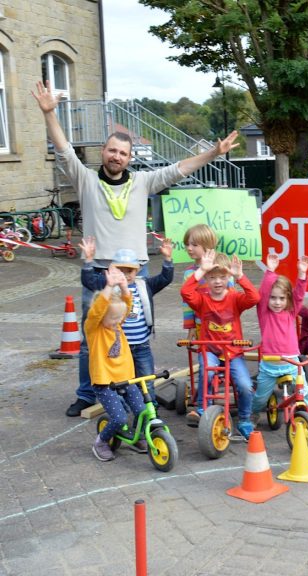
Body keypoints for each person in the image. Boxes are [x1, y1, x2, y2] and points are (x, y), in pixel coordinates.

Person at [33, 80, 240, 417]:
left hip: (136, 273)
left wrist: (214, 153)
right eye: (112, 151)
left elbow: (180, 169)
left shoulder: (143, 182)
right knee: (91, 337)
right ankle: (88, 394)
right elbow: (64, 150)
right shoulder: (85, 179)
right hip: (100, 270)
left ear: (130, 158)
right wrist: (48, 114)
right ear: (104, 151)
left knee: (139, 335)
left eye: (124, 153)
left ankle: (143, 389)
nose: (117, 157)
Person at [80, 238, 174, 409]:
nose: (125, 275)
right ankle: (121, 410)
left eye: (129, 270)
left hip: (142, 345)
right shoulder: (107, 285)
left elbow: (164, 279)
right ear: (112, 270)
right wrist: (89, 259)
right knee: (121, 382)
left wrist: (167, 259)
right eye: (120, 270)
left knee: (146, 379)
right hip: (120, 346)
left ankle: (151, 411)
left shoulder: (144, 284)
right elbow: (88, 281)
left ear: (137, 270)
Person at [180, 250, 260, 439]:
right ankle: (202, 409)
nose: (217, 281)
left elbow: (254, 298)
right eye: (212, 277)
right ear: (206, 278)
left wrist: (240, 276)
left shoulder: (234, 298)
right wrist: (200, 270)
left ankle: (245, 419)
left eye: (222, 277)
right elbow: (185, 292)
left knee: (245, 385)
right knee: (207, 372)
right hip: (210, 349)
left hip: (232, 351)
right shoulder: (202, 300)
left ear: (228, 277)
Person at [253, 254, 308, 426]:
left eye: (282, 298)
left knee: (305, 391)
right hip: (270, 364)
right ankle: (252, 415)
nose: (277, 302)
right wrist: (270, 271)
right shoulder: (265, 313)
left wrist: (301, 274)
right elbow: (263, 292)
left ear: (288, 300)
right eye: (273, 298)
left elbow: (299, 295)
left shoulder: (291, 312)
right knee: (260, 397)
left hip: (291, 362)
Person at [180, 224, 234, 425]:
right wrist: (190, 328)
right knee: (206, 367)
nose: (189, 248)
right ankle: (203, 405)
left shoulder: (221, 268)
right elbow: (187, 304)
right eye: (187, 244)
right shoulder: (189, 274)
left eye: (194, 244)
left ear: (207, 245)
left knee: (226, 366)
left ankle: (226, 394)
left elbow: (233, 299)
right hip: (203, 328)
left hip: (225, 329)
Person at [87, 266, 143, 462]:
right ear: (102, 316)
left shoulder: (117, 322)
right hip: (105, 382)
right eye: (113, 318)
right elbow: (96, 311)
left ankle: (136, 436)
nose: (119, 321)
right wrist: (109, 286)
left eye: (120, 318)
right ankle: (101, 442)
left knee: (142, 411)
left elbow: (127, 306)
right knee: (119, 418)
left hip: (125, 378)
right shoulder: (94, 329)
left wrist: (125, 287)